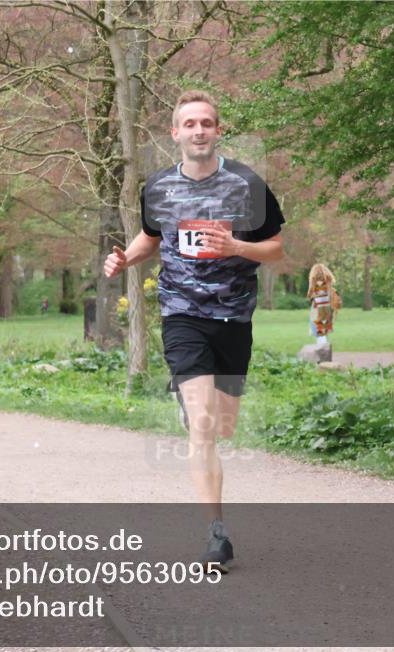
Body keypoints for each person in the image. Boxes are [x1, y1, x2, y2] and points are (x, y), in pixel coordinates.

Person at [104, 90, 285, 571]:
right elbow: (152, 237)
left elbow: (276, 250)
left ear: (218, 130)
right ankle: (217, 535)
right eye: (190, 124)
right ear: (176, 133)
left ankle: (193, 402)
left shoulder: (246, 184)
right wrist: (124, 257)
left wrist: (235, 246)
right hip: (182, 314)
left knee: (222, 426)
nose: (199, 131)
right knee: (203, 427)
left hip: (234, 318)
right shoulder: (159, 187)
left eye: (207, 123)